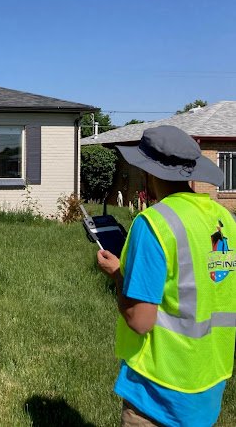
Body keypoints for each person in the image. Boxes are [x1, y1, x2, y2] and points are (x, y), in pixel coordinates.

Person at [96, 125, 236, 427]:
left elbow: (140, 320)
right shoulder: (225, 218)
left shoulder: (154, 224)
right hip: (209, 382)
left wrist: (117, 275)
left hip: (159, 388)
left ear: (148, 172)